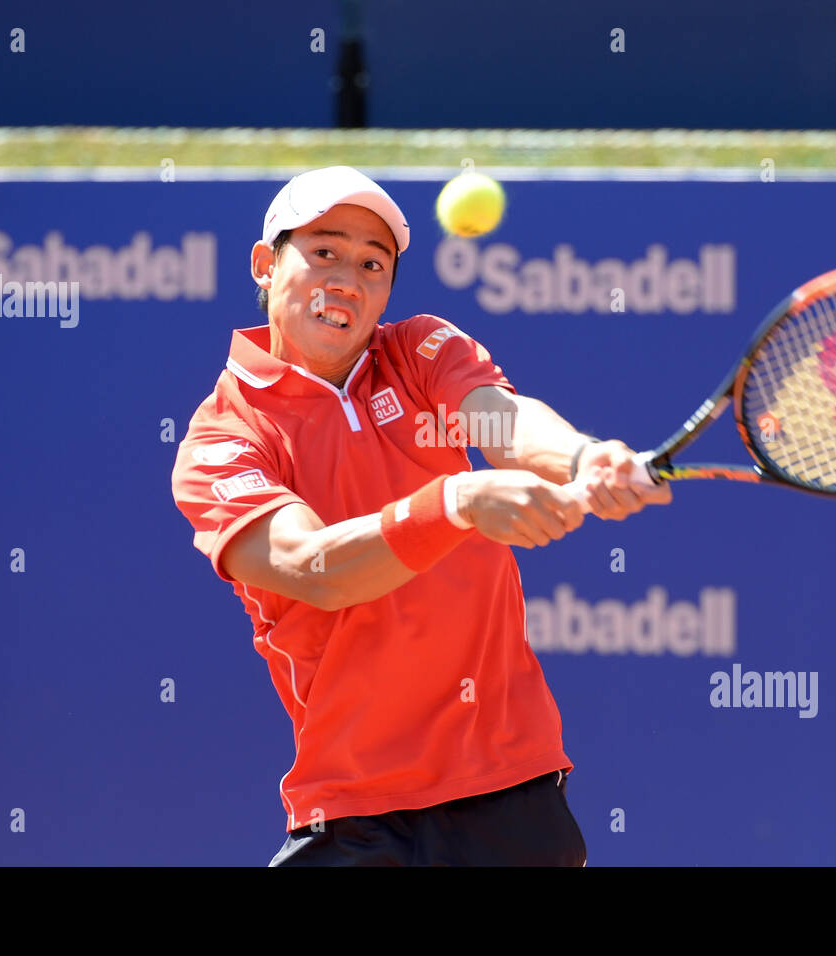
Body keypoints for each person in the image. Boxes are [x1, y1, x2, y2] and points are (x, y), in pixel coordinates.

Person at [171, 166, 671, 866]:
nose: (347, 277)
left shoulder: (418, 351)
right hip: (352, 812)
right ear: (265, 263)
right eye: (324, 251)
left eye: (372, 264)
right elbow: (310, 567)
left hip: (508, 790)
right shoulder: (223, 440)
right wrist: (456, 503)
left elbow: (503, 421)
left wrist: (582, 458)